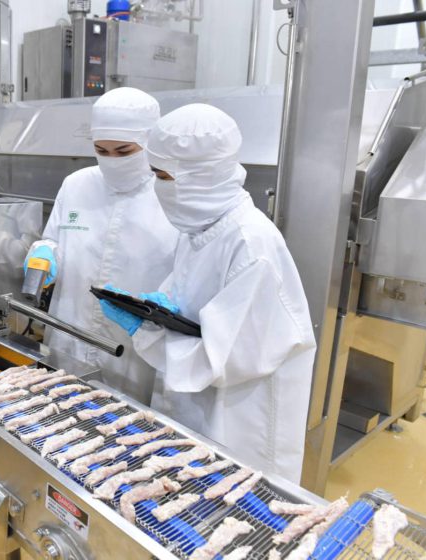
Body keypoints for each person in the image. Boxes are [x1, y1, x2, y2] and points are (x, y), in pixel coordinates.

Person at [100, 103, 316, 482]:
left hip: (239, 421)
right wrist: (152, 312)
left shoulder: (251, 245)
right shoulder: (200, 229)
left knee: (238, 502)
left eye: (163, 176)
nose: (157, 187)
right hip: (200, 407)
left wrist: (148, 333)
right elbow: (188, 304)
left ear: (199, 177)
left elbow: (221, 361)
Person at [24, 87, 179, 405]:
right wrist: (45, 251)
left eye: (124, 151)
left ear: (150, 142)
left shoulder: (171, 196)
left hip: (133, 347)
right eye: (101, 150)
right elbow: (54, 239)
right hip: (70, 332)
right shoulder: (76, 184)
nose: (112, 160)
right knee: (59, 410)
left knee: (125, 421)